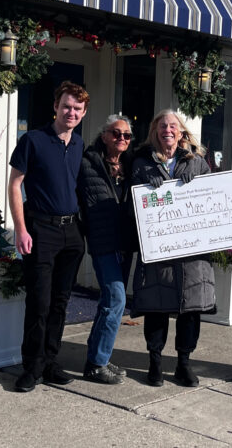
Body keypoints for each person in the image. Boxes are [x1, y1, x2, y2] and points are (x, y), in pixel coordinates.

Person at [7, 80, 89, 393]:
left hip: (71, 232)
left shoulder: (78, 144)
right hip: (41, 229)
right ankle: (32, 367)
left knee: (60, 302)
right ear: (55, 107)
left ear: (83, 113)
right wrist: (21, 229)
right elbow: (15, 184)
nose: (71, 112)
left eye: (77, 108)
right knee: (39, 301)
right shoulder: (33, 140)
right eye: (66, 106)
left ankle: (51, 362)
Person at [131, 109, 215, 388]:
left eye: (173, 126)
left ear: (181, 133)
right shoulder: (142, 163)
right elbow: (132, 205)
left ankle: (183, 364)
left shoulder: (198, 163)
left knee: (190, 309)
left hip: (192, 253)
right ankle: (155, 362)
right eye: (162, 126)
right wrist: (148, 190)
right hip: (159, 250)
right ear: (155, 131)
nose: (168, 130)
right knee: (156, 305)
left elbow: (212, 200)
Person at [76, 114, 137, 385]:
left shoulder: (132, 164)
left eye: (126, 135)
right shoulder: (87, 162)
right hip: (102, 242)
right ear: (104, 136)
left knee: (108, 303)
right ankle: (96, 364)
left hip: (125, 242)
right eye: (116, 133)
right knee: (116, 300)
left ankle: (97, 356)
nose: (121, 138)